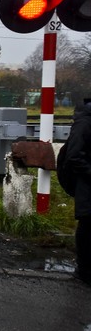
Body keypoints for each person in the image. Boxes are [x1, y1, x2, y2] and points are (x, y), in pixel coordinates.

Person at [65, 98, 91, 285]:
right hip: (88, 185)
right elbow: (74, 155)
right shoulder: (84, 123)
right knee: (88, 224)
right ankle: (83, 271)